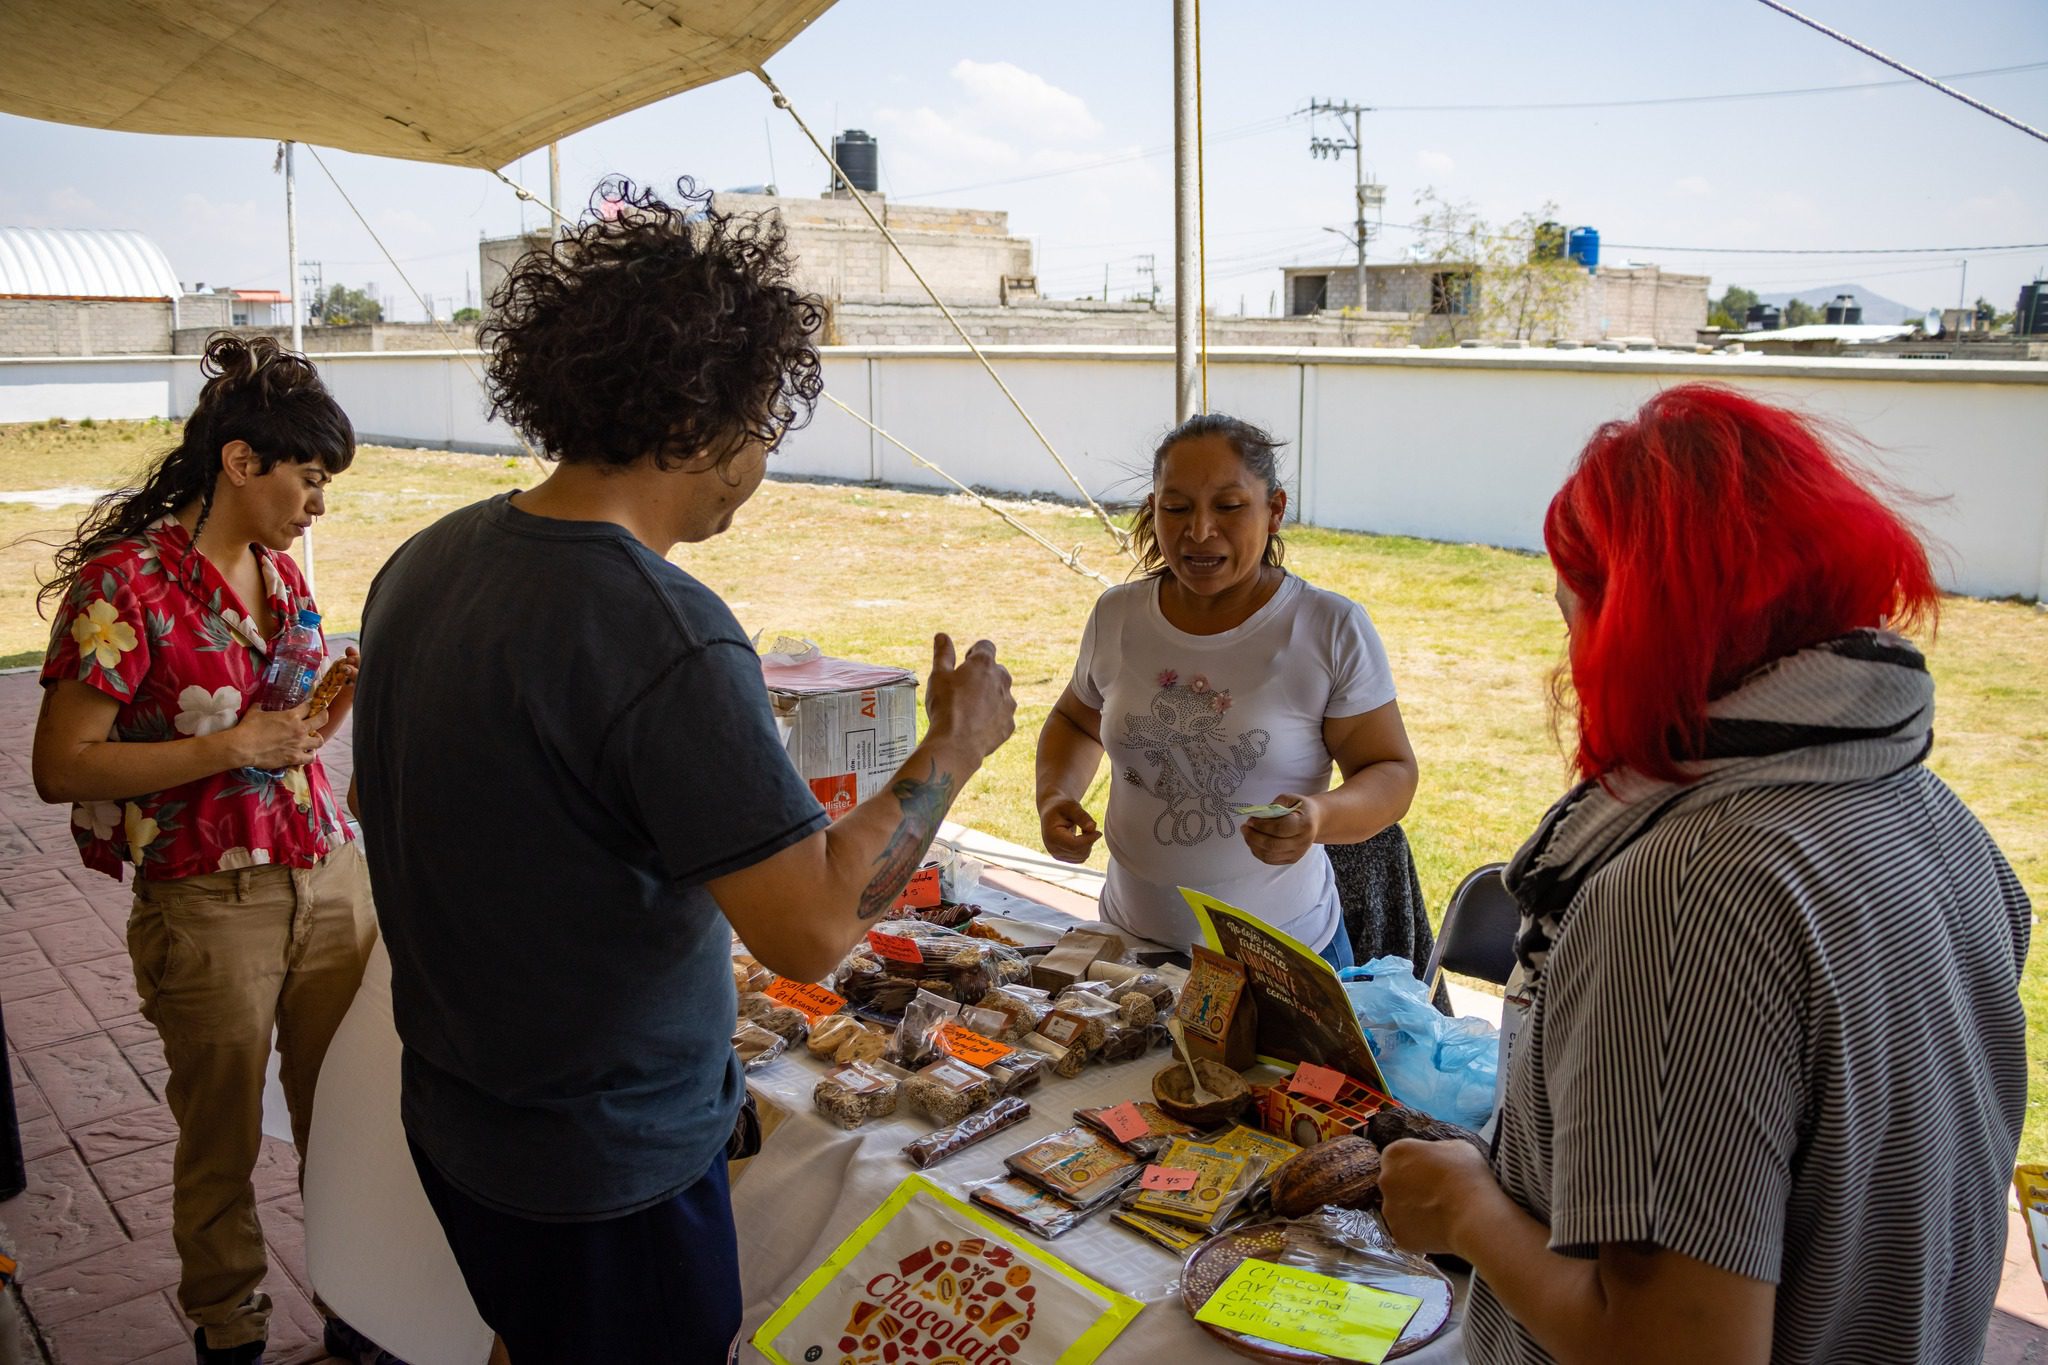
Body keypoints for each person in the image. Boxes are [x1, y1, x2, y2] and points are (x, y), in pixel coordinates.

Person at [348, 178, 1016, 1365]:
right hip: (603, 1163)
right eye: (764, 419)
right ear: (701, 418)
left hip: (463, 1113)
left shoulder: (427, 559)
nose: (762, 457)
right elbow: (809, 934)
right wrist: (951, 748)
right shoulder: (664, 629)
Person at [1377, 384, 2030, 1365]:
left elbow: (1673, 1349)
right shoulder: (1931, 817)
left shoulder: (1683, 892)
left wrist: (1467, 1210)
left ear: (1634, 622)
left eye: (1572, 611)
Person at [30, 335, 380, 1365]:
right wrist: (232, 745)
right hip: (208, 900)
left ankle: (360, 1308)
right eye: (307, 479)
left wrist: (309, 729)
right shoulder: (124, 587)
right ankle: (231, 1332)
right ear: (240, 463)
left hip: (327, 875)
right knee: (220, 1138)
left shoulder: (281, 575)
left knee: (347, 1120)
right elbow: (63, 765)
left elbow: (274, 736)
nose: (317, 504)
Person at [1035, 413, 1420, 967]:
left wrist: (1318, 817)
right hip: (1131, 949)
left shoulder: (1327, 627)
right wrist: (1055, 796)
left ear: (1276, 510)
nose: (1199, 531)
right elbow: (1077, 721)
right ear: (1153, 509)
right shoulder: (1118, 615)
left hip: (1280, 961)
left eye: (1229, 507)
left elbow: (1391, 772)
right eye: (1176, 508)